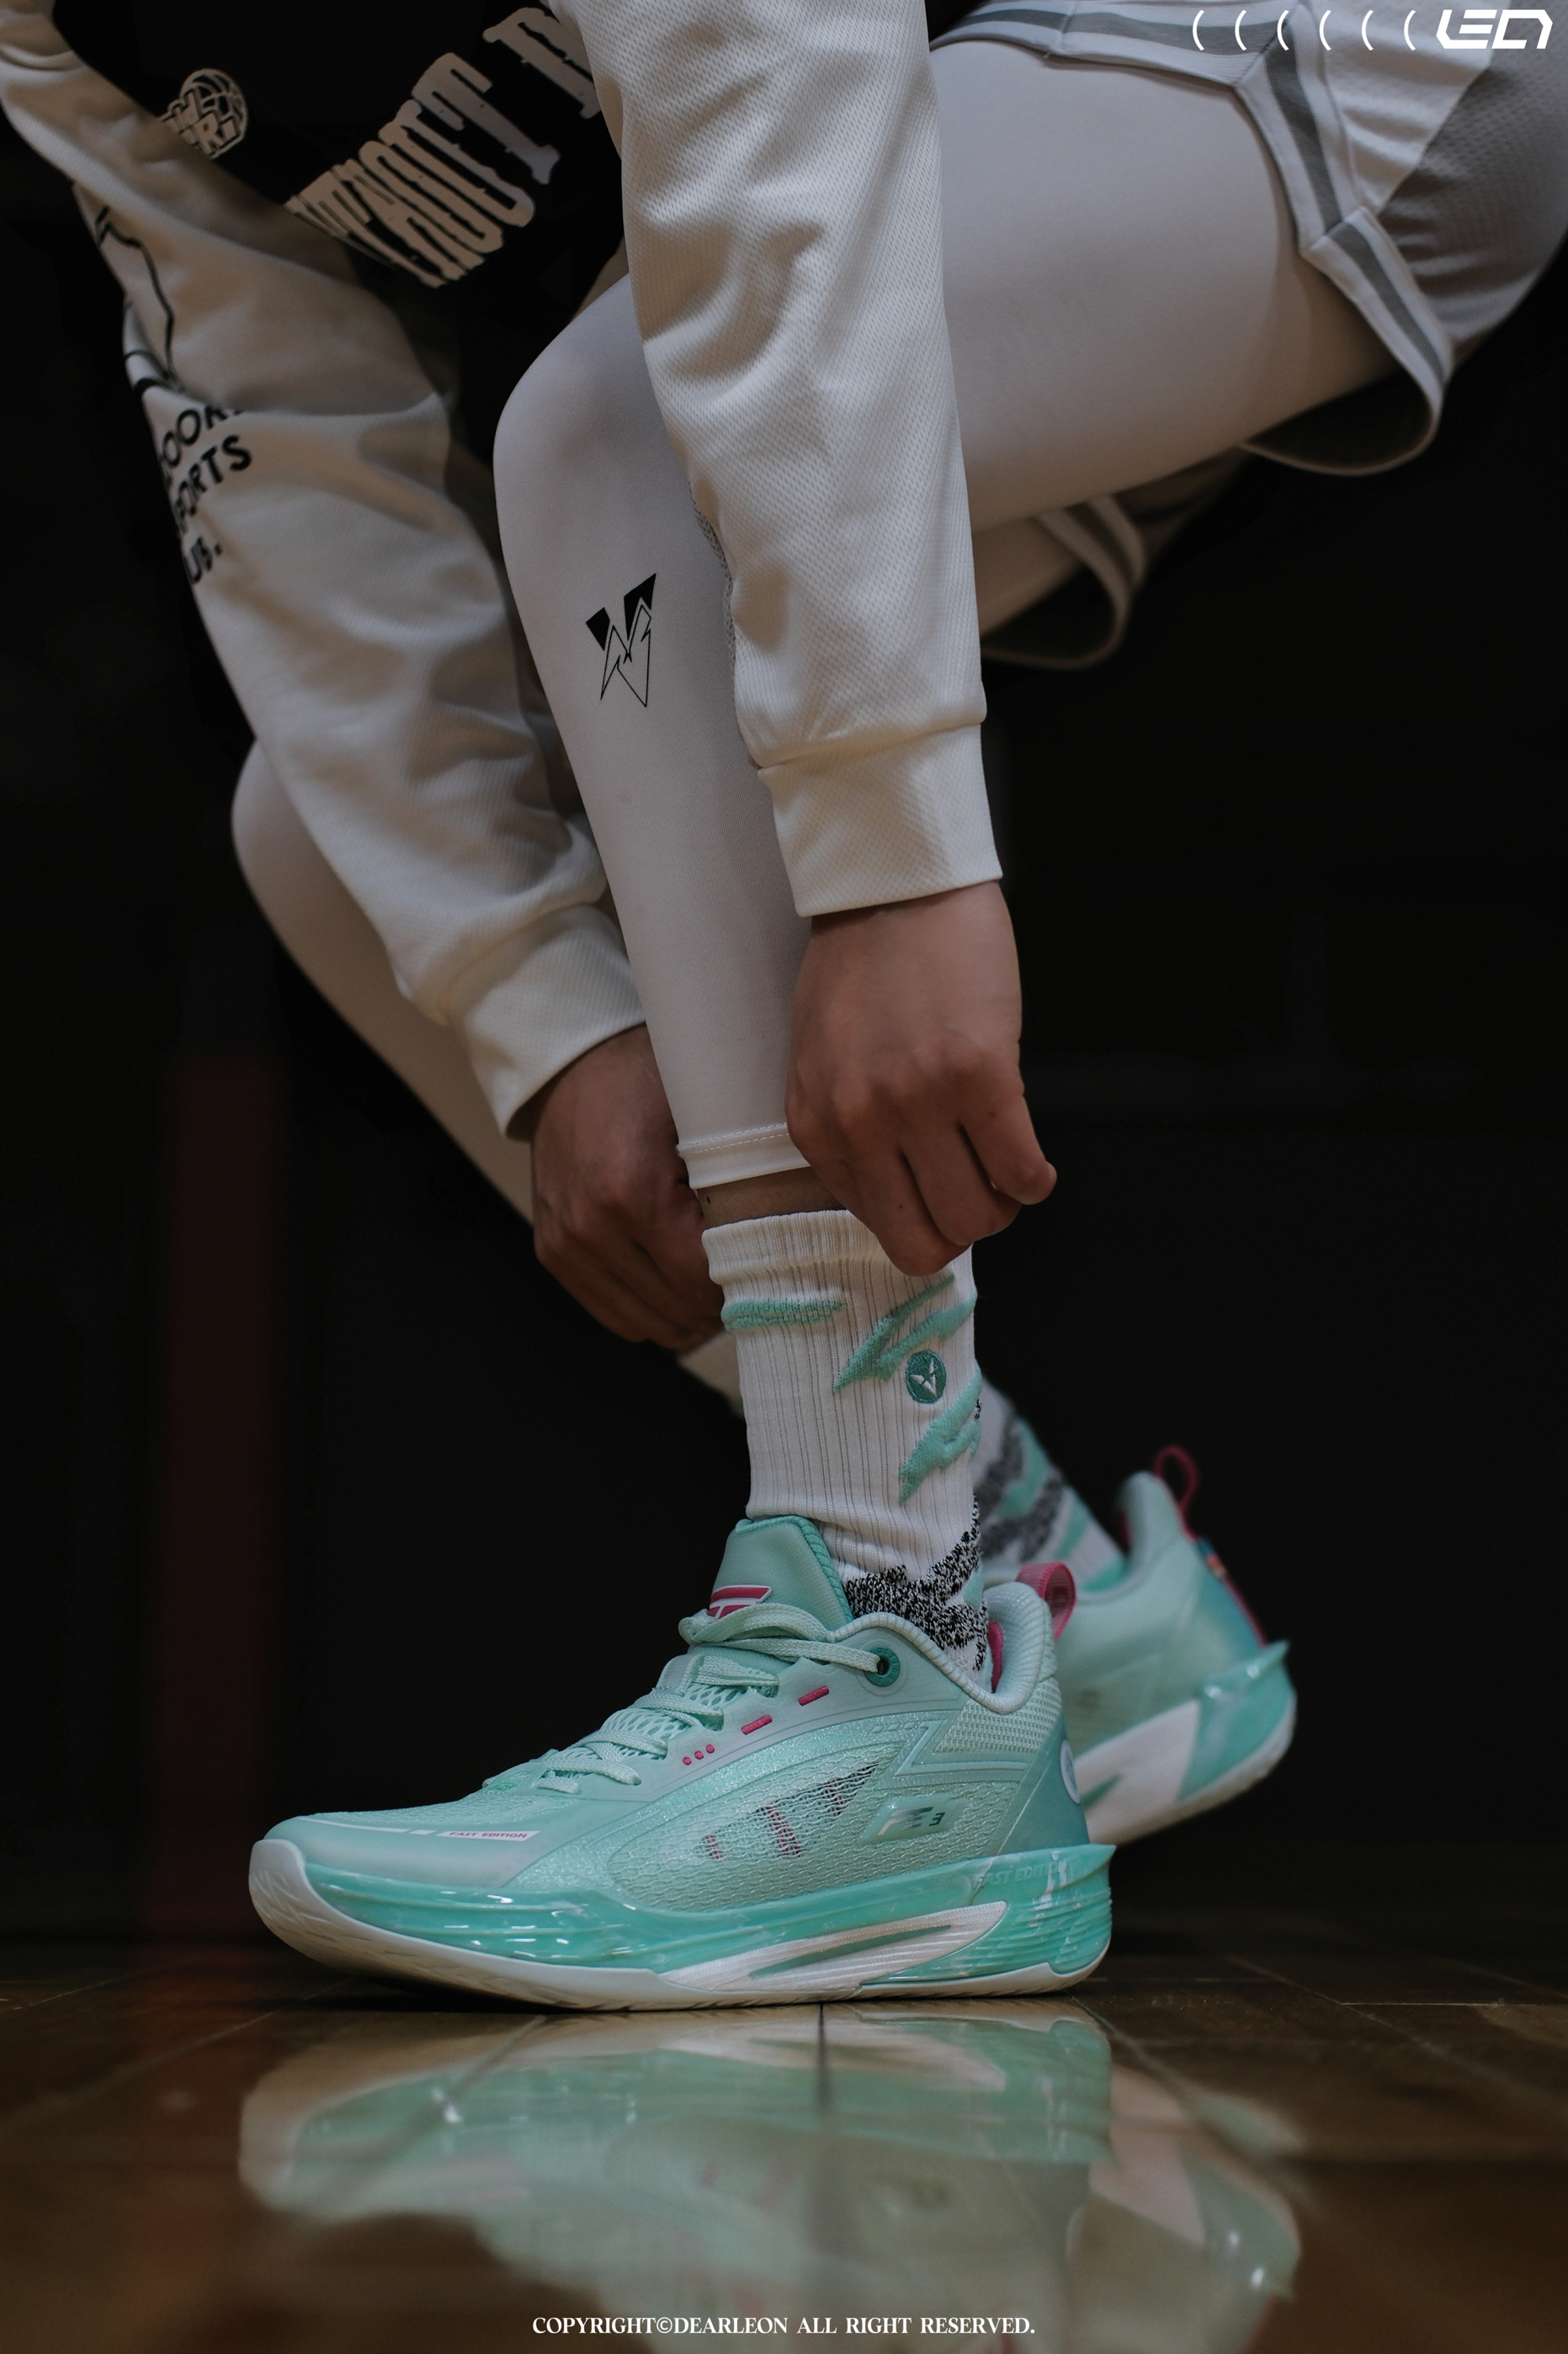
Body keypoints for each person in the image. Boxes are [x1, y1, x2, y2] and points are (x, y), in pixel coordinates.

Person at [4, 0, 1560, 2002]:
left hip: (1341, 42)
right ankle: (1030, 1587)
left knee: (622, 422)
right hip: (864, 205)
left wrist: (889, 851)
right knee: (324, 835)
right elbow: (294, 481)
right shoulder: (60, 31)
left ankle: (890, 1624)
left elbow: (768, 133)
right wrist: (545, 1016)